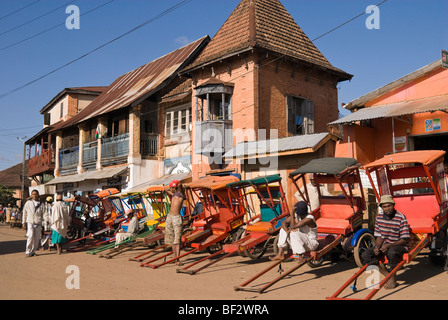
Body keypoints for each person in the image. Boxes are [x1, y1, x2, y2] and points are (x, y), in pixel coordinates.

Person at [361, 195, 410, 289]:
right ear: (381, 208)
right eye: (384, 206)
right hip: (385, 245)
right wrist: (377, 247)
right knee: (366, 254)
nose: (387, 208)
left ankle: (393, 276)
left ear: (393, 205)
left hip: (399, 245)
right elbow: (379, 236)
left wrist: (389, 245)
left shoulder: (401, 217)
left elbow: (404, 239)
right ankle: (388, 275)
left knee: (392, 252)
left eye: (389, 206)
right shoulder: (379, 217)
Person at [165, 180, 185, 265]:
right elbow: (166, 189)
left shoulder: (180, 195)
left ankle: (177, 259)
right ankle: (174, 258)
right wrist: (170, 187)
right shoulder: (173, 195)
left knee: (177, 240)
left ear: (175, 188)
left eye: (172, 188)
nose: (170, 189)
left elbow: (180, 186)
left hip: (176, 218)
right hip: (170, 217)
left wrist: (176, 184)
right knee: (172, 239)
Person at [22, 190, 45, 257]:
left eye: (36, 194)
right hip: (30, 222)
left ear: (38, 195)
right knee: (30, 236)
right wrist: (23, 222)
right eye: (33, 194)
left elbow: (44, 213)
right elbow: (24, 213)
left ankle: (33, 251)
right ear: (31, 195)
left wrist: (45, 222)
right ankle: (27, 251)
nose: (34, 196)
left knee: (37, 238)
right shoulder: (28, 203)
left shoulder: (41, 204)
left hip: (38, 222)